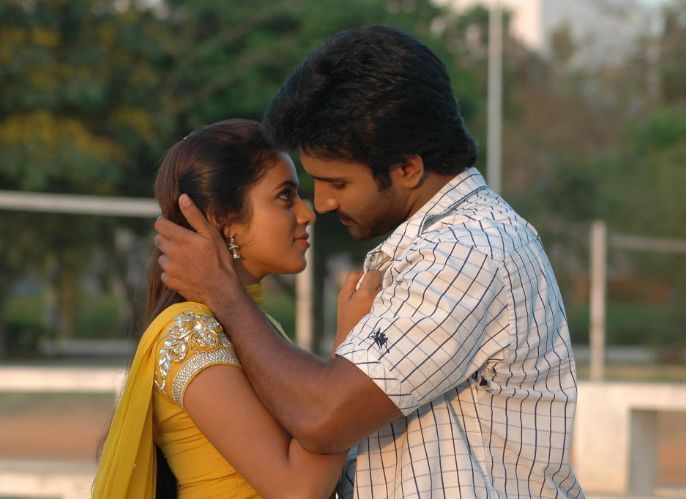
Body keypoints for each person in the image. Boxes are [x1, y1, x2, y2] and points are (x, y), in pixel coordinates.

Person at [154, 26, 584, 498]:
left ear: (407, 168)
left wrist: (224, 294)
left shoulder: (466, 252)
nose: (321, 205)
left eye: (337, 184)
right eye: (294, 192)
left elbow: (322, 418)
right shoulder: (436, 247)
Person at [94, 119, 380, 498]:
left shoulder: (253, 325)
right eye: (285, 196)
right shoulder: (189, 332)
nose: (307, 213)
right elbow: (298, 489)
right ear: (224, 220)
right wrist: (350, 345)